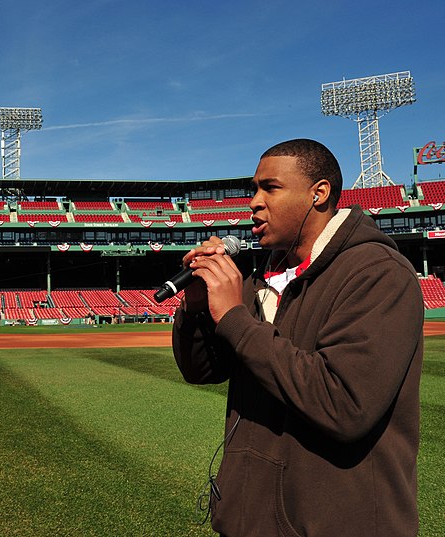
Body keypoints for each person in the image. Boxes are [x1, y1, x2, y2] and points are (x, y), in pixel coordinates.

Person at [173, 139, 423, 536]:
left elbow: (344, 405)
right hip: (249, 519)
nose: (253, 201)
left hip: (336, 523)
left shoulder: (378, 272)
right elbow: (201, 370)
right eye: (253, 189)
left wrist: (236, 318)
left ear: (318, 194)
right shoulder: (259, 279)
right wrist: (199, 307)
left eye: (270, 188)